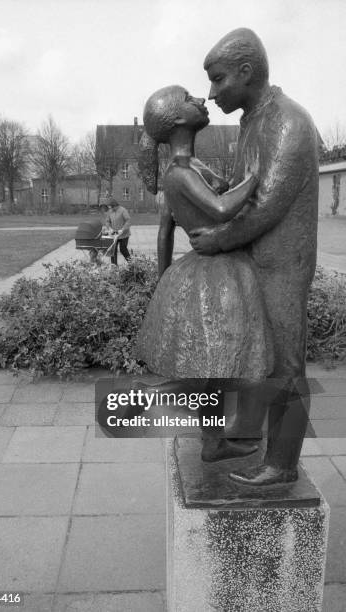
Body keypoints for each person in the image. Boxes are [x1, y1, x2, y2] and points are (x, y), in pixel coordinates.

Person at [188, 28, 319, 485]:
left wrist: (218, 239)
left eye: (218, 79)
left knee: (285, 364)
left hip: (281, 266)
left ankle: (281, 466)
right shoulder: (252, 122)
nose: (212, 92)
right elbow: (244, 189)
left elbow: (267, 206)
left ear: (246, 72)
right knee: (247, 358)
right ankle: (245, 439)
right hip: (252, 261)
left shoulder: (289, 122)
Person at [133, 85, 273, 452]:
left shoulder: (189, 167)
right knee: (222, 359)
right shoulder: (179, 173)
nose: (201, 99)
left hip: (204, 272)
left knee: (217, 360)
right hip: (216, 272)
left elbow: (165, 230)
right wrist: (255, 178)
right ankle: (172, 404)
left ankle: (211, 441)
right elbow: (223, 208)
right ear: (179, 119)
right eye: (189, 98)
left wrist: (165, 283)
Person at [106, 199, 131, 265]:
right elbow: (107, 221)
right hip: (114, 235)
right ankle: (114, 266)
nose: (111, 209)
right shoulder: (110, 211)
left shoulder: (123, 210)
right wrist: (109, 228)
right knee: (113, 250)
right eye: (110, 208)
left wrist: (122, 229)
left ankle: (131, 263)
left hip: (124, 235)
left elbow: (128, 221)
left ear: (115, 206)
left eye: (112, 207)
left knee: (123, 249)